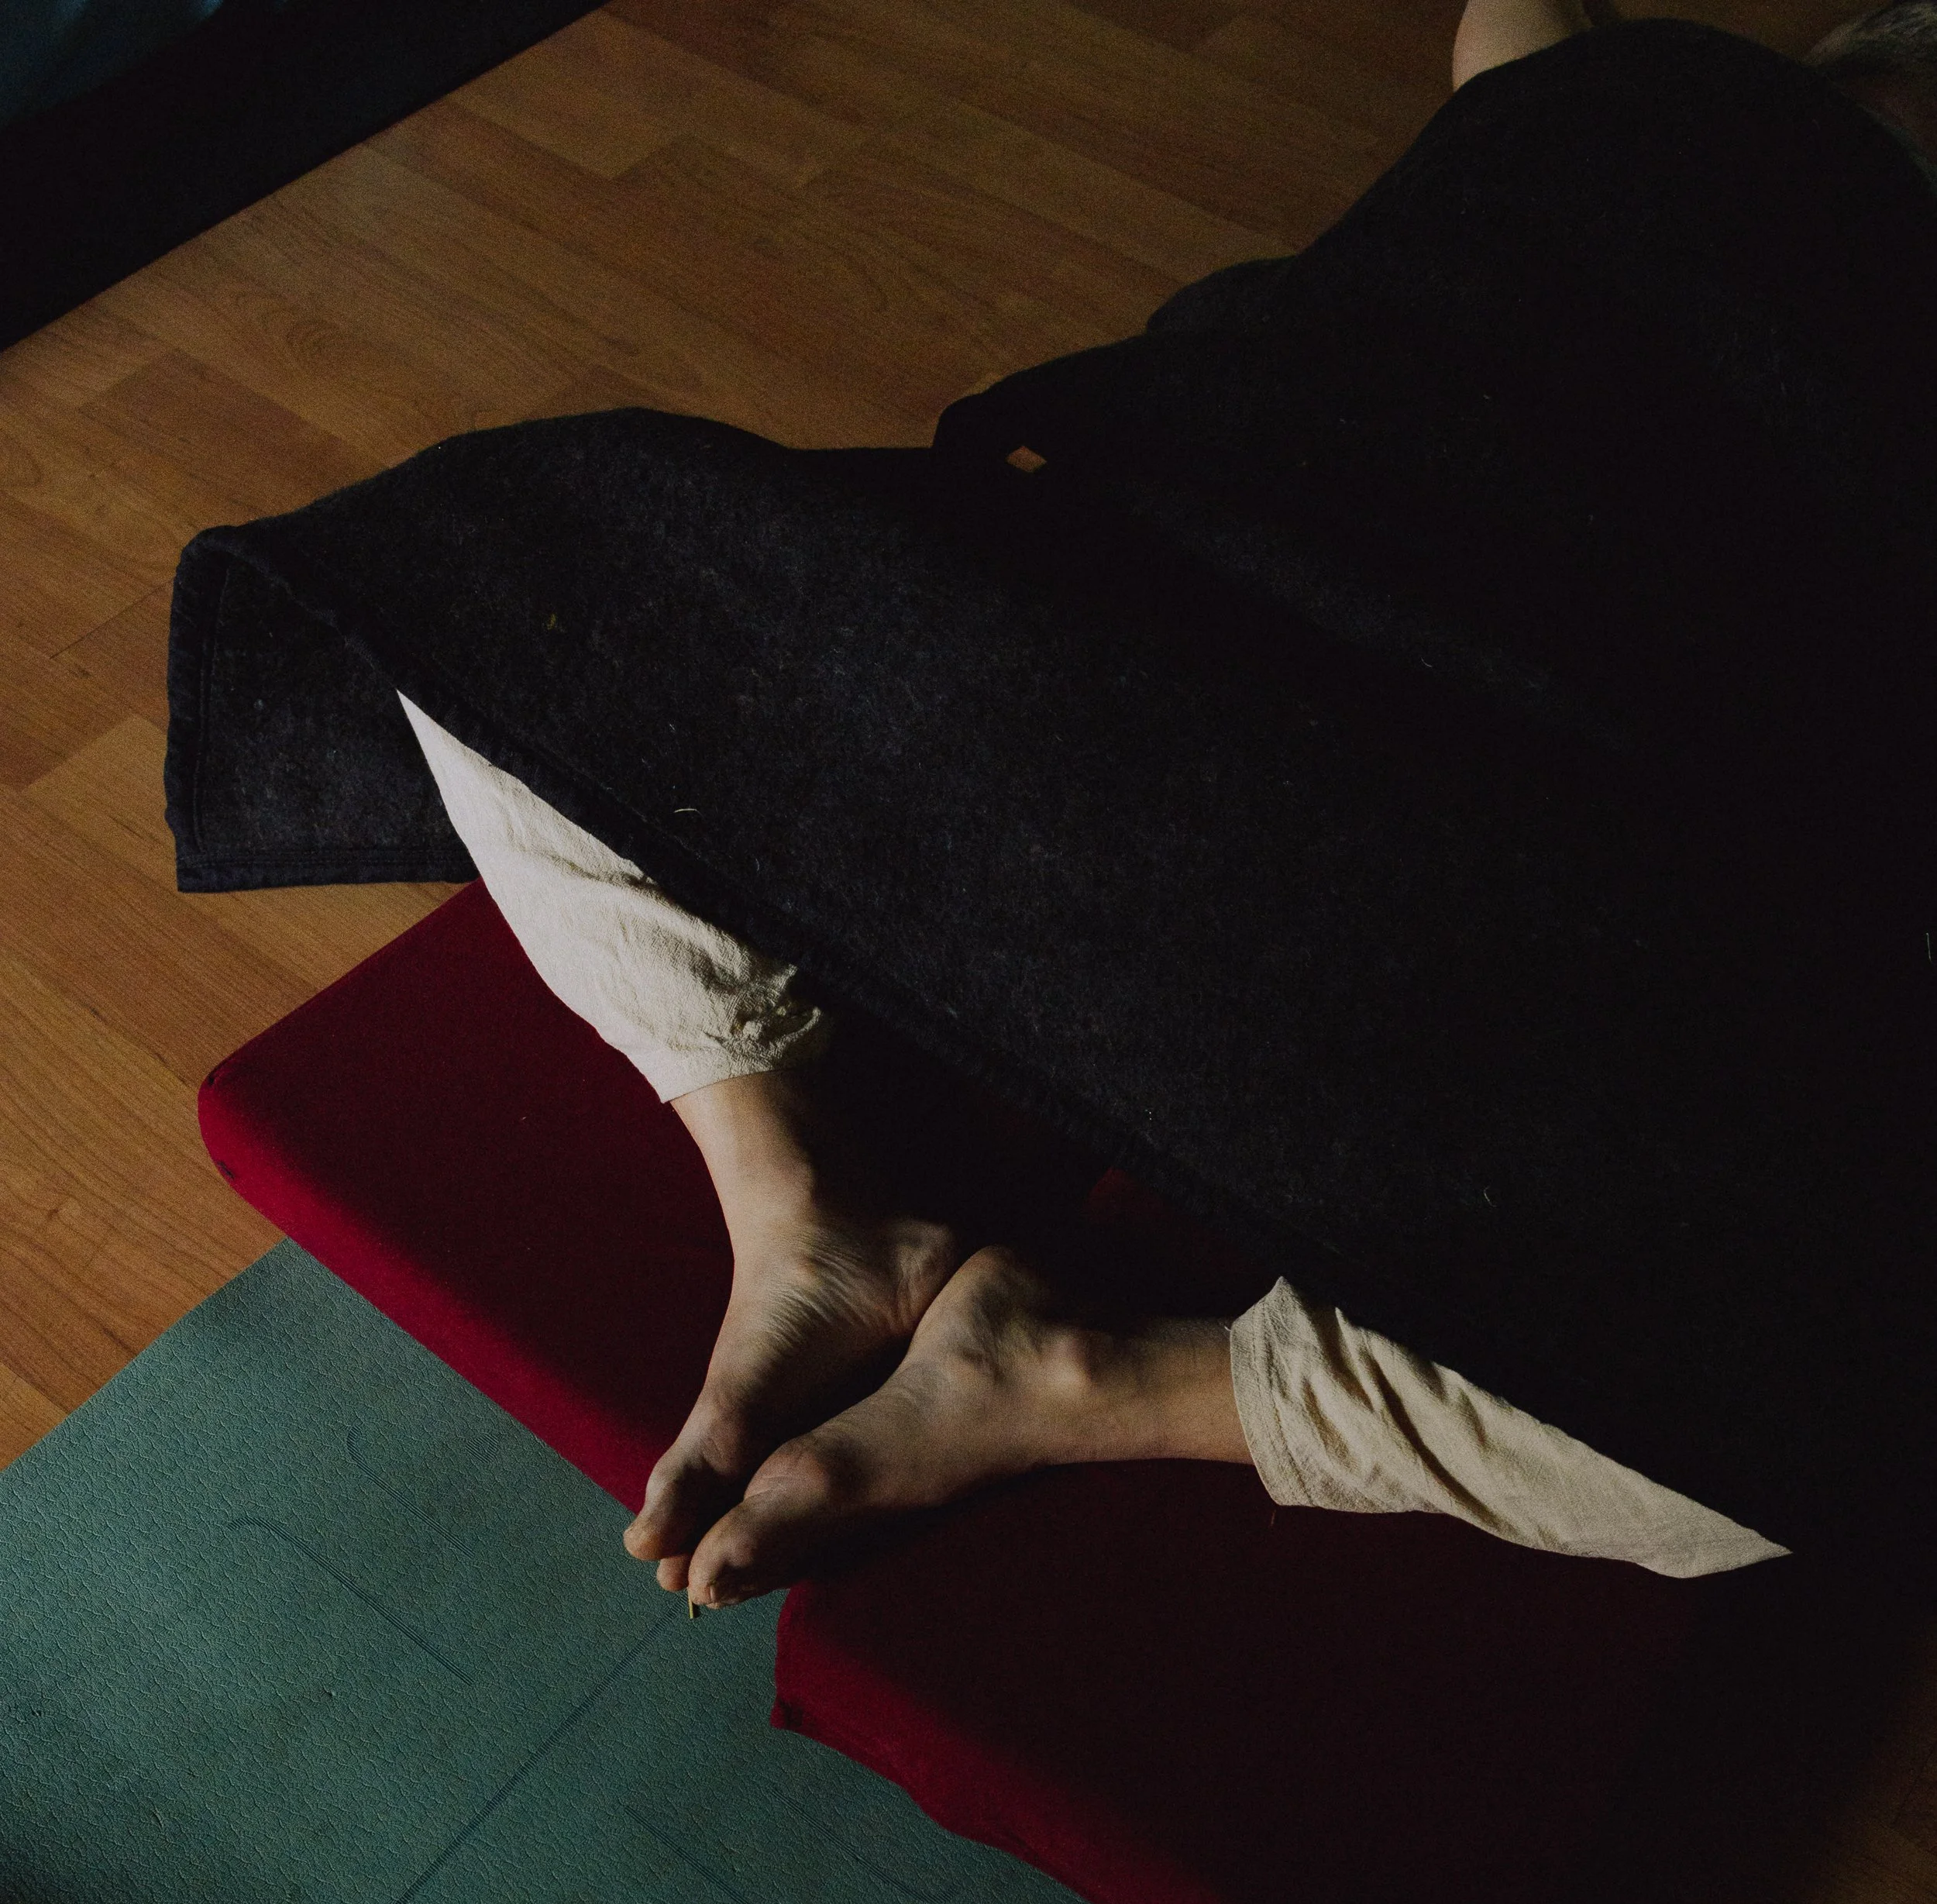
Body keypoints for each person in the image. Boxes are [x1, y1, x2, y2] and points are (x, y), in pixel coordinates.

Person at [169, 2, 1937, 1597]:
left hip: (1507, 825)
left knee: (1802, 1431)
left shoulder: (1608, 89)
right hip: (1175, 623)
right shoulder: (1600, 88)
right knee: (468, 584)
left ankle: (1078, 1376)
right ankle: (795, 1197)